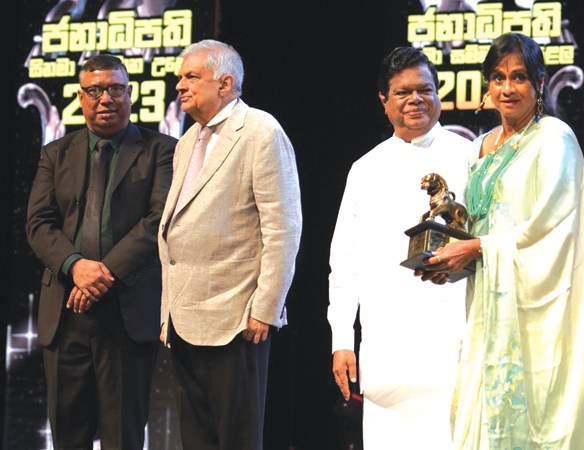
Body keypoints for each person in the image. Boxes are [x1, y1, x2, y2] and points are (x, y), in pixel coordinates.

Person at [421, 32, 584, 449]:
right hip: (488, 303)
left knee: (537, 414)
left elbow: (552, 227)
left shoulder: (554, 139)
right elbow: (476, 226)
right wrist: (452, 262)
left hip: (540, 310)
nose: (507, 88)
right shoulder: (479, 147)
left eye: (519, 77)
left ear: (540, 83)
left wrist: (477, 248)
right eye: (498, 78)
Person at [26, 54, 175, 448]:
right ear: (80, 97)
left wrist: (102, 275)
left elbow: (159, 220)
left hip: (127, 311)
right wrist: (76, 267)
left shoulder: (161, 150)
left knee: (123, 436)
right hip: (65, 311)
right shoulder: (55, 153)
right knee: (67, 434)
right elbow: (38, 224)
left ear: (130, 93)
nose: (105, 98)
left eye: (114, 89)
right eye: (94, 91)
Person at [158, 39, 302, 449]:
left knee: (236, 439)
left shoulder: (261, 130)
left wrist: (266, 308)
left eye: (191, 76)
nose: (180, 85)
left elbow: (283, 228)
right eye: (180, 77)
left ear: (224, 83)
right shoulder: (188, 140)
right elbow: (176, 228)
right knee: (196, 440)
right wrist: (167, 313)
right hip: (186, 318)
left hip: (237, 320)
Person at [327, 46, 473, 449]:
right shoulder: (365, 169)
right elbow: (345, 263)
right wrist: (342, 339)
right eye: (403, 92)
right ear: (384, 100)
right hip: (387, 345)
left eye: (425, 90)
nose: (415, 100)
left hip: (454, 340)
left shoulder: (470, 156)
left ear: (438, 93)